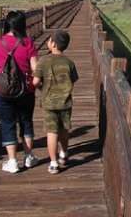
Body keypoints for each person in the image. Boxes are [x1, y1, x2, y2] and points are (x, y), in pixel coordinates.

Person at [0, 11, 39, 173]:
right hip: (26, 90)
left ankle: (12, 161)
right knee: (26, 122)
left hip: (3, 91)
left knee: (7, 124)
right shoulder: (28, 43)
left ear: (6, 24)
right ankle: (29, 156)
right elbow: (35, 68)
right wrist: (34, 85)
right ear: (22, 25)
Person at [33, 29, 78, 174]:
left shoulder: (43, 61)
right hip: (65, 102)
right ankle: (64, 154)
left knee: (52, 132)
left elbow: (35, 82)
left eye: (49, 40)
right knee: (64, 129)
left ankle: (53, 163)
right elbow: (73, 81)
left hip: (49, 103)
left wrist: (41, 88)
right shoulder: (69, 63)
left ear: (53, 44)